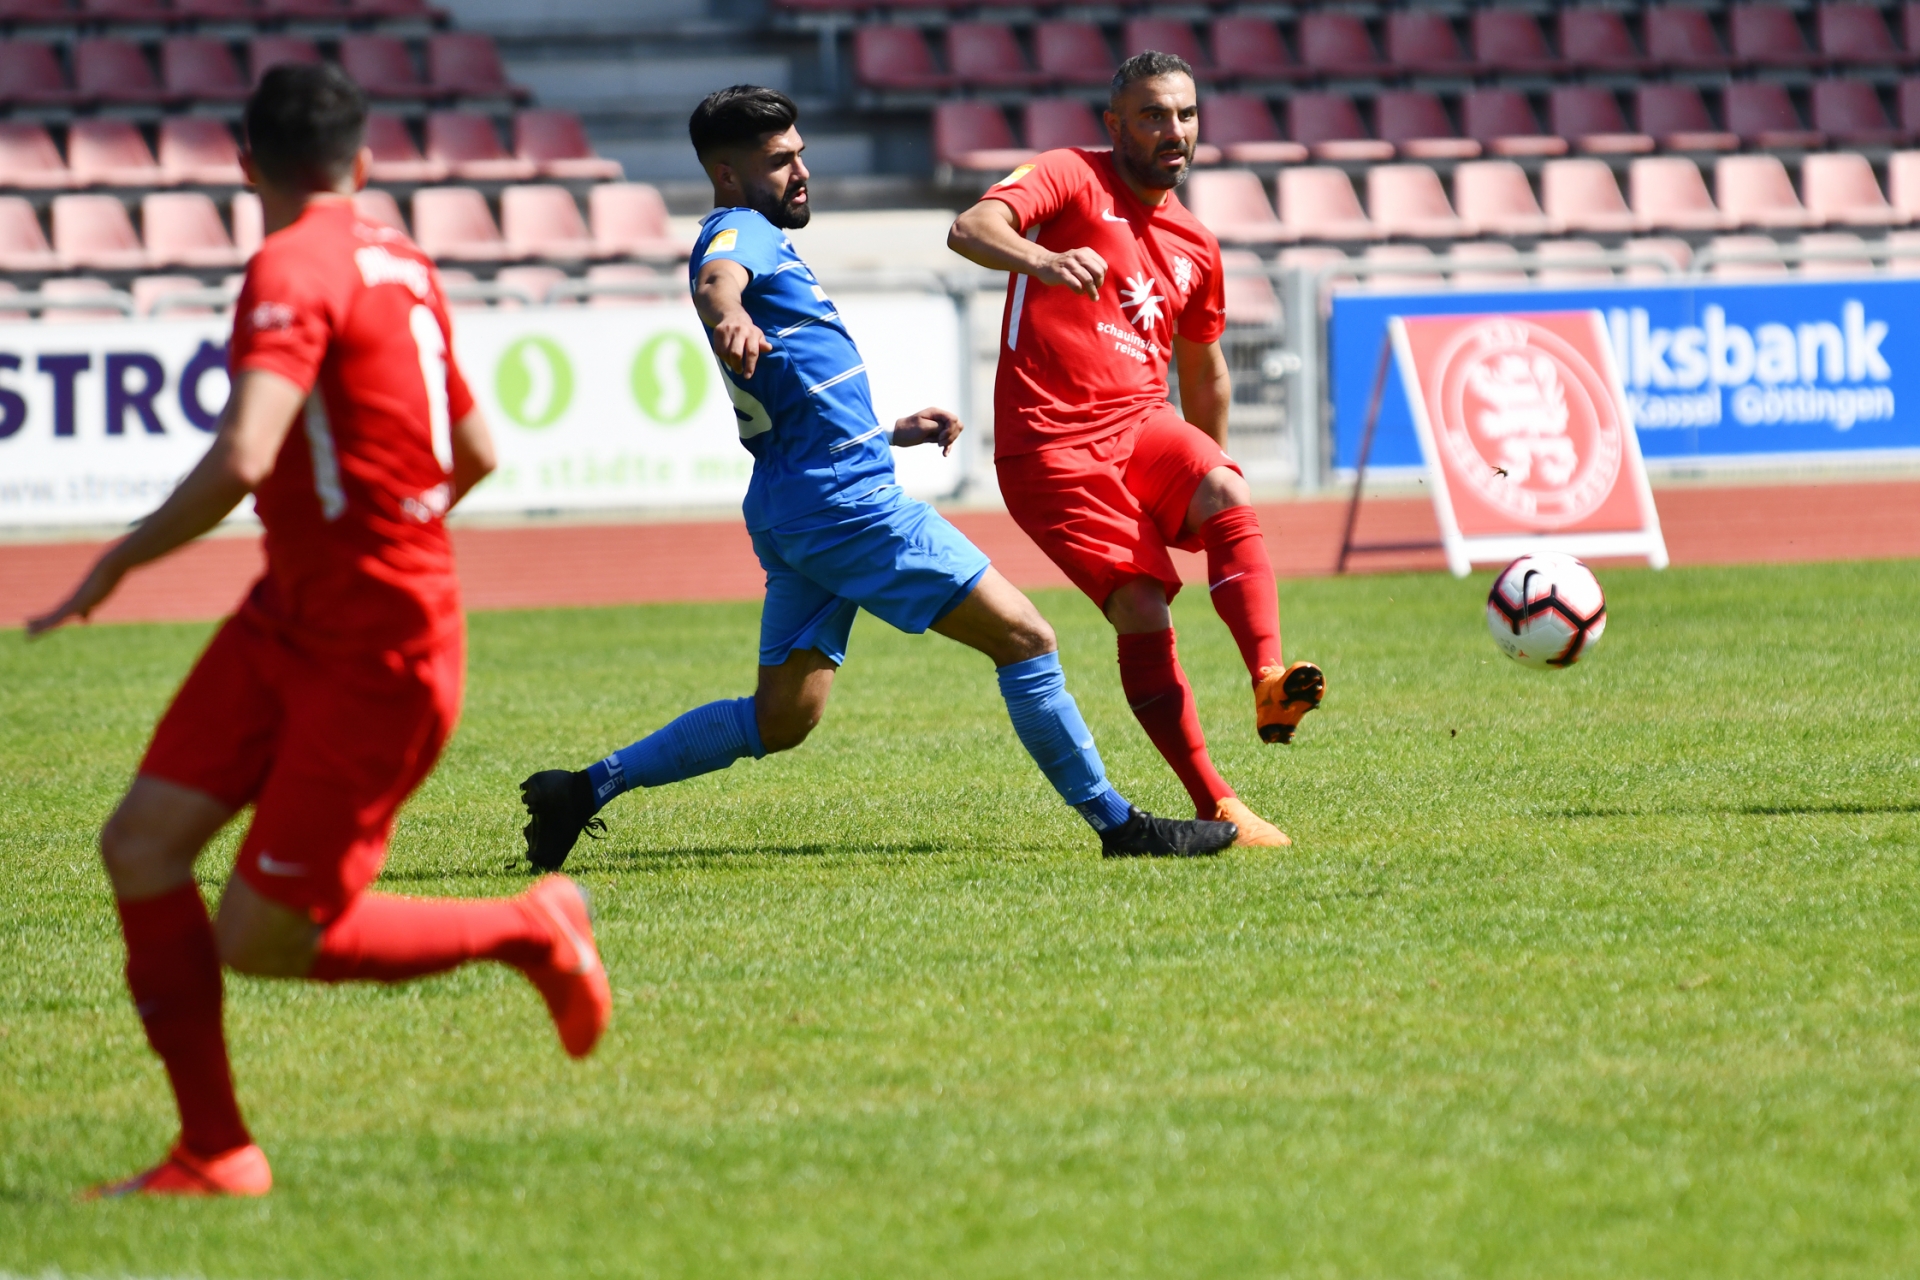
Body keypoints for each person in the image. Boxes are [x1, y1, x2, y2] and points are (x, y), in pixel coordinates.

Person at [27, 65, 611, 1198]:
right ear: (368, 160)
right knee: (139, 845)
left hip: (373, 649)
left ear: (244, 167)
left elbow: (247, 452)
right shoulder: (404, 259)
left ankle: (531, 927)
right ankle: (216, 1151)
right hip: (295, 614)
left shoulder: (286, 265)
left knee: (263, 935)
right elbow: (478, 449)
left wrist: (119, 558)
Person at [517, 85, 1239, 869]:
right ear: (728, 175)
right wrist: (725, 312)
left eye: (799, 154)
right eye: (778, 162)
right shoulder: (739, 231)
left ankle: (582, 789)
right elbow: (717, 281)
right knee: (1027, 637)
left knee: (781, 719)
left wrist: (887, 431)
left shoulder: (761, 237)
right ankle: (1119, 828)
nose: (800, 172)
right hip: (848, 506)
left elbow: (789, 388)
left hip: (797, 502)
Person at [945, 52, 1325, 849]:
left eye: (1185, 115)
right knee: (1144, 610)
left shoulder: (1196, 241)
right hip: (1050, 445)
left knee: (1227, 486)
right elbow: (971, 227)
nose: (1173, 131)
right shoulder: (1068, 176)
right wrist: (1043, 260)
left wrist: (1206, 484)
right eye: (1152, 114)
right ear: (1115, 123)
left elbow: (1205, 368)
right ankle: (1216, 801)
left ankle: (1267, 680)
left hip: (1141, 424)